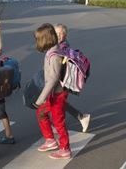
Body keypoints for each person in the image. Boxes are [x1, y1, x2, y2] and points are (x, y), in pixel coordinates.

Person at [32, 23, 71, 160]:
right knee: (41, 113)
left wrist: (41, 98)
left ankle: (65, 149)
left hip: (57, 94)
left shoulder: (54, 55)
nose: (37, 42)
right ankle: (50, 140)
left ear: (45, 39)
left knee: (58, 121)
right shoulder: (52, 51)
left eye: (38, 39)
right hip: (52, 93)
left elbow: (53, 79)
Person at [54, 24, 91, 133]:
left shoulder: (62, 47)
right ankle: (80, 117)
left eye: (61, 33)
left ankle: (79, 118)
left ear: (65, 35)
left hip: (62, 81)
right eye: (57, 33)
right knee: (57, 103)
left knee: (56, 103)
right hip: (61, 80)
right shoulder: (59, 46)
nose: (59, 35)